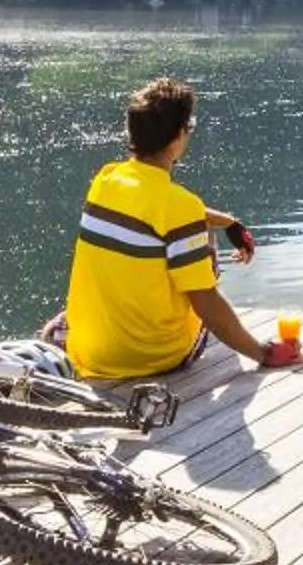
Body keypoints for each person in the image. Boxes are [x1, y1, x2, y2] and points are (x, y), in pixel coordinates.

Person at [44, 75, 288, 379]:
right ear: (177, 136)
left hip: (91, 353)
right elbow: (207, 305)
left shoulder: (105, 180)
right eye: (189, 127)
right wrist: (263, 353)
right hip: (153, 358)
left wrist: (228, 221)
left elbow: (161, 212)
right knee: (202, 240)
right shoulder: (179, 205)